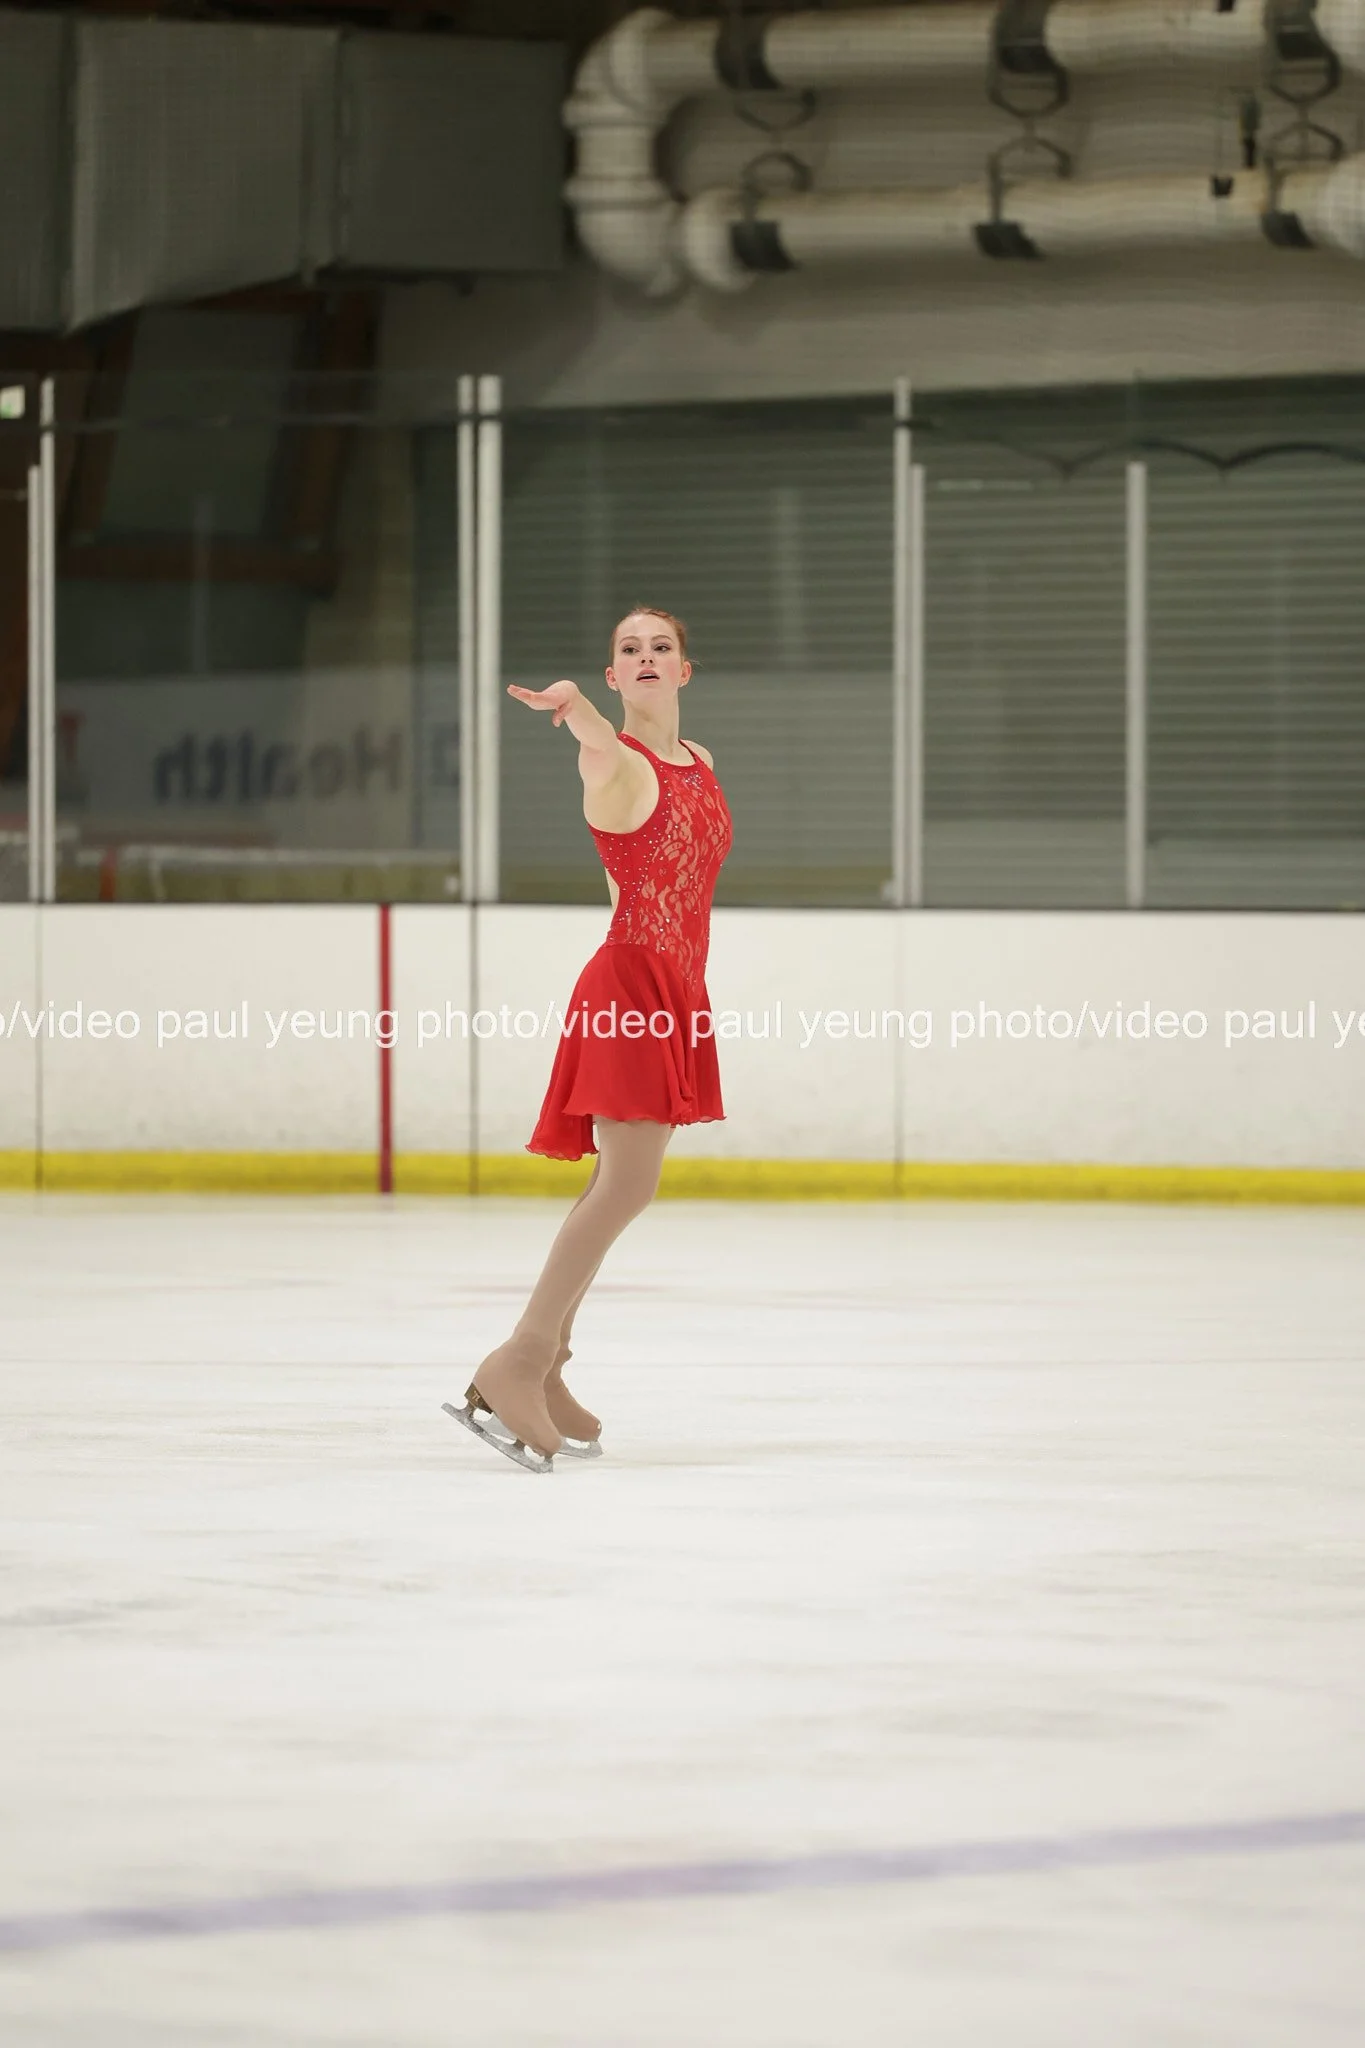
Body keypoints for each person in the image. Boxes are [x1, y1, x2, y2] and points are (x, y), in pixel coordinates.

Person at [447, 608, 732, 1472]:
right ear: (612, 676)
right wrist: (575, 710)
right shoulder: (616, 762)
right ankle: (519, 1359)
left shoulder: (700, 762)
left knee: (617, 1180)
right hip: (628, 984)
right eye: (627, 650)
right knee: (629, 1183)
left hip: (675, 989)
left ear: (683, 670)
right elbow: (600, 745)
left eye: (660, 648)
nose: (644, 658)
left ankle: (547, 1364)